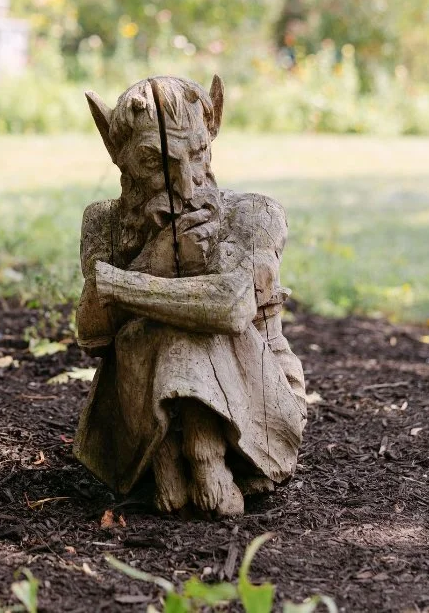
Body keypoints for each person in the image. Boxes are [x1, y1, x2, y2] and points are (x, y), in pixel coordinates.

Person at [76, 75, 307, 518]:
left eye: (198, 154)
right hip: (132, 418)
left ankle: (205, 455)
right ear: (118, 156)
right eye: (153, 163)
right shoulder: (103, 222)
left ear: (211, 134)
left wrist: (119, 284)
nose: (184, 183)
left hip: (256, 409)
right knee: (159, 320)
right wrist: (156, 260)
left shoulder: (254, 213)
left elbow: (231, 305)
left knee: (193, 317)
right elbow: (91, 335)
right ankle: (168, 457)